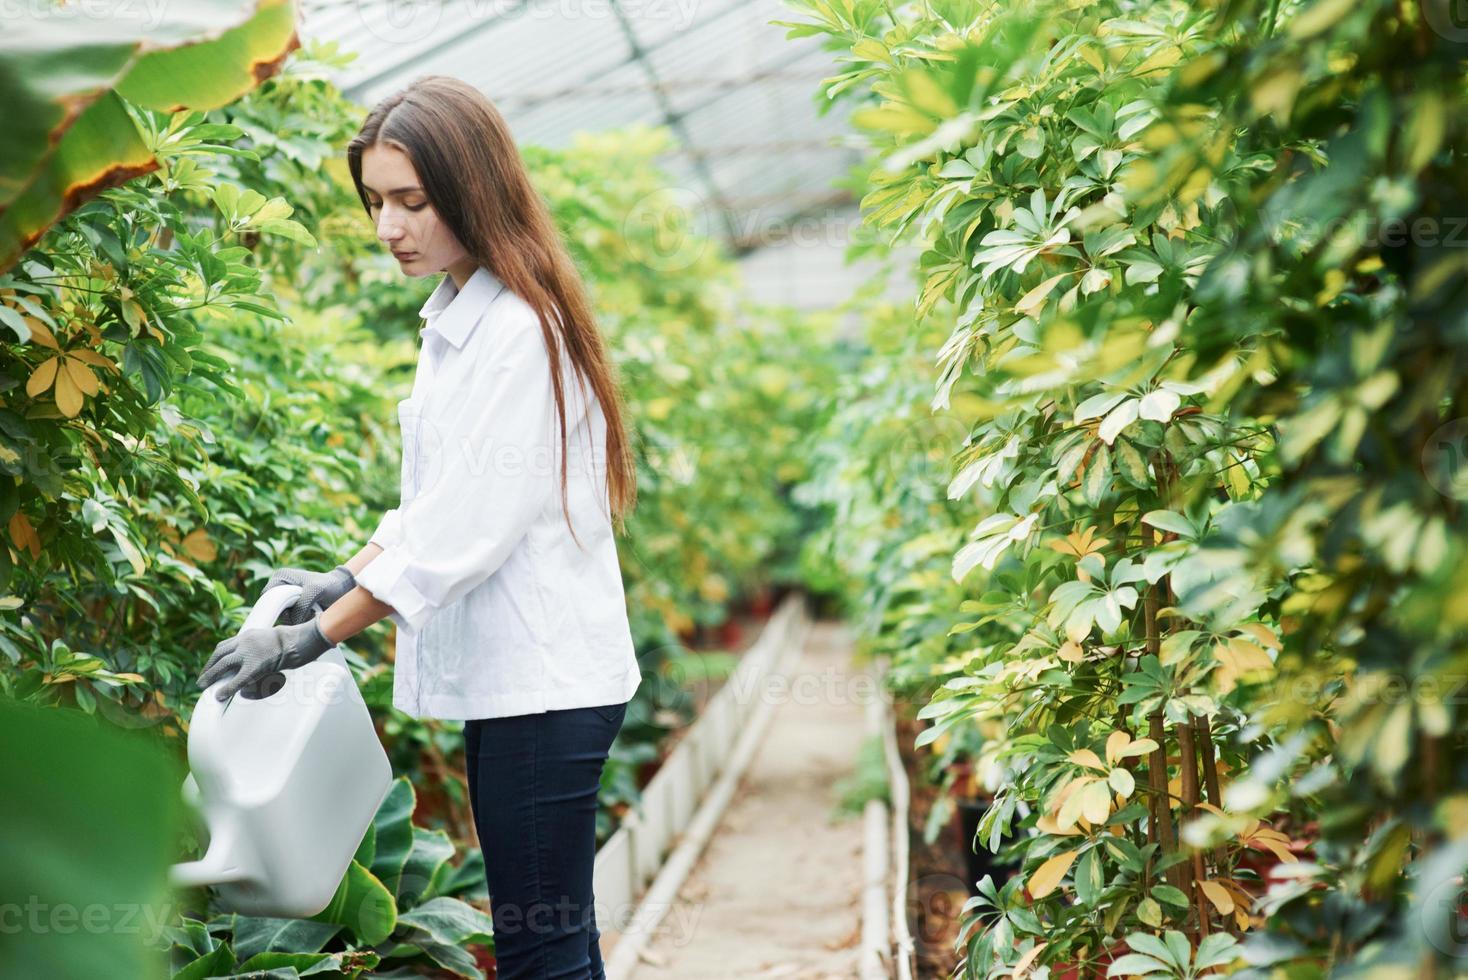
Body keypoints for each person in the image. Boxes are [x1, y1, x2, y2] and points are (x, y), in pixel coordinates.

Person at [195, 74, 643, 980]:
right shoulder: (464, 319)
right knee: (547, 935)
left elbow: (462, 537)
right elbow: (434, 503)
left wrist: (310, 639)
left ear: (472, 190)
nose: (387, 228)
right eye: (374, 202)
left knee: (539, 944)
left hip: (543, 686)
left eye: (411, 201)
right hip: (523, 685)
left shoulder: (518, 332)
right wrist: (339, 574)